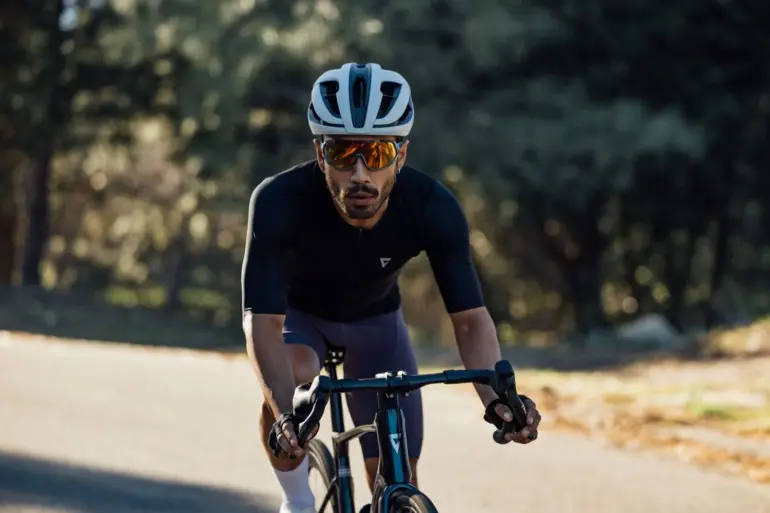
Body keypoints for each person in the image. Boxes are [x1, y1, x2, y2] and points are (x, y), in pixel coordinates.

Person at [241, 62, 542, 513]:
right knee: (297, 371)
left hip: (377, 326)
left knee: (397, 482)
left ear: (400, 156)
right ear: (321, 155)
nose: (361, 174)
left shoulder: (431, 206)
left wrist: (497, 399)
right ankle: (298, 501)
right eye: (344, 154)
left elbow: (470, 321)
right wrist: (285, 413)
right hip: (303, 321)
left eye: (377, 154)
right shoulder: (277, 200)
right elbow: (261, 322)